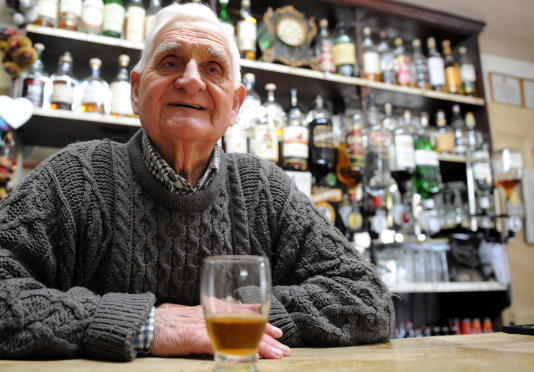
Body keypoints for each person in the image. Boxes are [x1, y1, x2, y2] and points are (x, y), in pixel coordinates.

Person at [0, 3, 394, 361]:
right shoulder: (76, 177)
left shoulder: (265, 189)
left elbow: (368, 299)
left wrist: (235, 316)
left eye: (213, 68)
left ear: (236, 104)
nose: (191, 80)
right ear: (136, 91)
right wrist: (146, 325)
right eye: (170, 62)